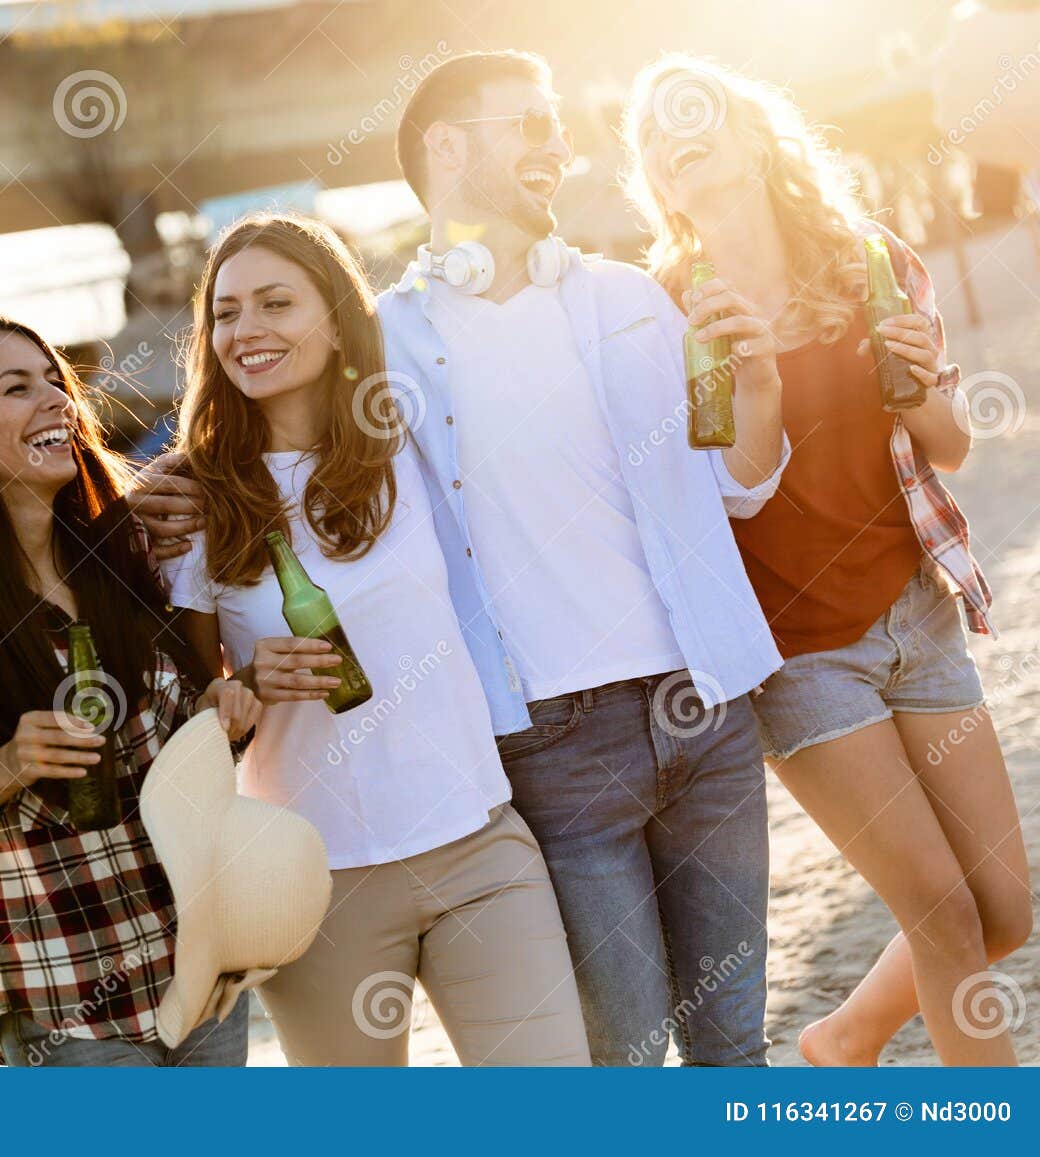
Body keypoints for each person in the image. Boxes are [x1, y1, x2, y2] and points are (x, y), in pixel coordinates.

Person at [133, 50, 788, 1067]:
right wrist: (180, 480)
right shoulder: (385, 342)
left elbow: (738, 483)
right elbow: (269, 417)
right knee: (621, 1056)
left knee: (731, 1038)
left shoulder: (630, 297)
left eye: (555, 123)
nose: (557, 145)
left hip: (702, 706)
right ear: (445, 146)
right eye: (525, 122)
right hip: (548, 743)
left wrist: (759, 386)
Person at [624, 55, 1032, 1066]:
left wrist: (910, 385)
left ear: (757, 135)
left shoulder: (870, 260)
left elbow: (948, 444)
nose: (676, 135)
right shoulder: (662, 315)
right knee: (940, 910)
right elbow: (701, 491)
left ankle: (840, 1038)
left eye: (698, 114)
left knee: (1003, 908)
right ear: (658, 185)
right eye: (653, 140)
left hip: (913, 613)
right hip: (796, 654)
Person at [159, 212, 589, 1066]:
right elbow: (184, 712)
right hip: (313, 881)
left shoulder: (416, 443)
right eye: (228, 312)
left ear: (338, 315)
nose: (247, 330)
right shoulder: (197, 506)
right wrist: (245, 680)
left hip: (478, 841)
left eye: (277, 302)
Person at [0, 315, 261, 1067]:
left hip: (204, 967)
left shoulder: (129, 557)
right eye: (16, 387)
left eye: (55, 381)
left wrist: (226, 710)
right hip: (65, 1002)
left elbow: (183, 749)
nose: (55, 400)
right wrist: (8, 764)